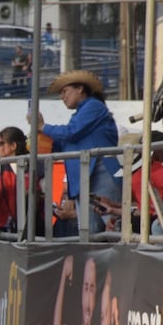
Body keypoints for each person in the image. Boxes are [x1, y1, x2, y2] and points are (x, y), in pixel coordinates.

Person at [35, 70, 121, 236]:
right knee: (90, 231)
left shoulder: (93, 106)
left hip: (100, 171)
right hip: (88, 174)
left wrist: (43, 128)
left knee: (111, 226)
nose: (62, 97)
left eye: (65, 91)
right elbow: (68, 138)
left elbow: (71, 133)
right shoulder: (84, 112)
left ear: (80, 89)